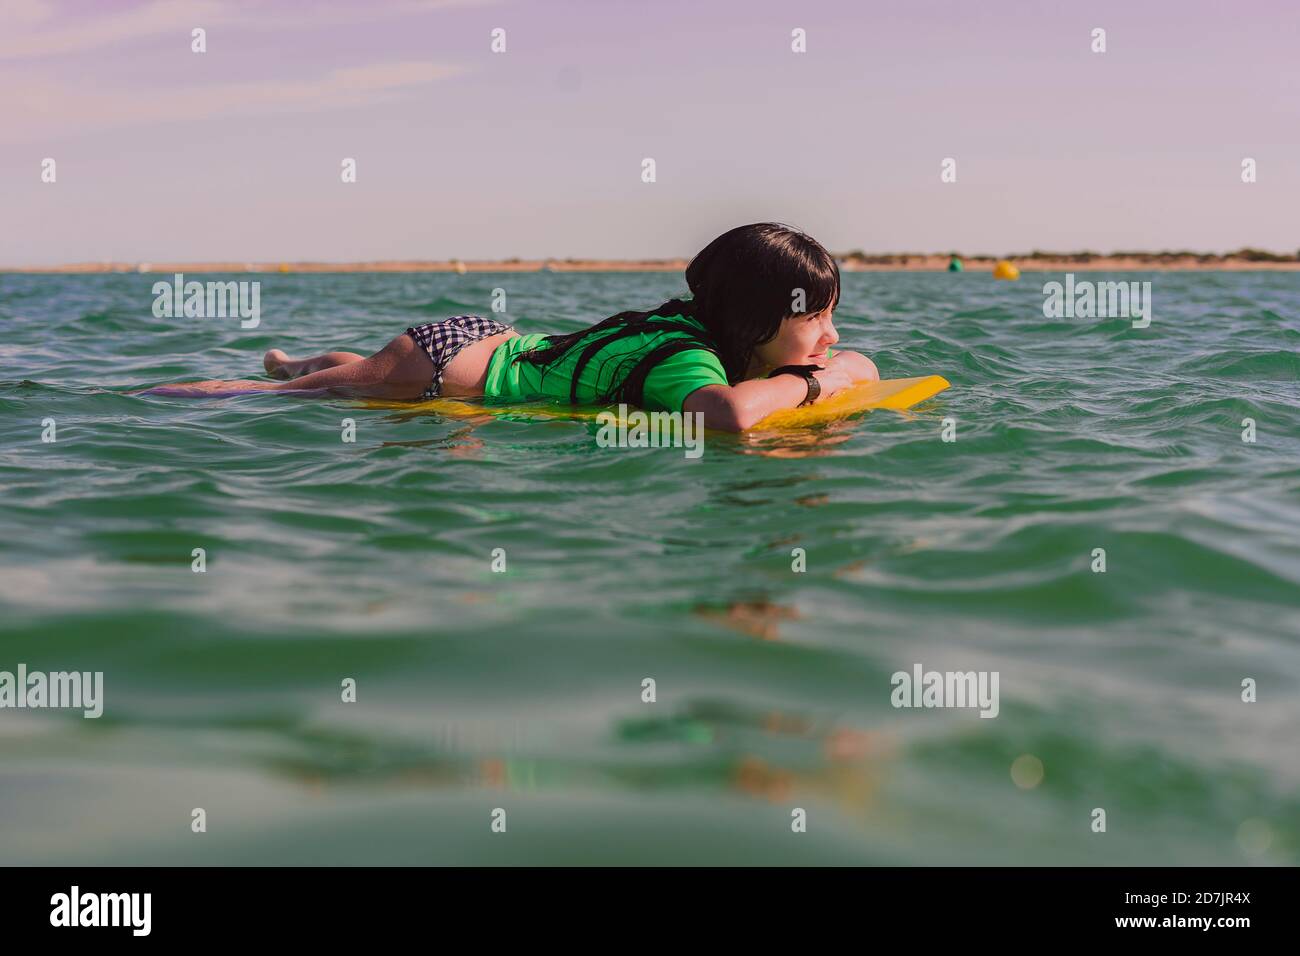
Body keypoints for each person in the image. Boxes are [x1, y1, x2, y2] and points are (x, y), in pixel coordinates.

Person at [143, 223, 879, 432]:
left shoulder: (705, 328)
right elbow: (724, 418)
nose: (830, 337)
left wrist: (828, 368)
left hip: (491, 342)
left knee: (353, 375)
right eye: (816, 319)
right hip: (448, 369)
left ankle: (304, 359)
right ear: (754, 320)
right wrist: (813, 384)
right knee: (265, 403)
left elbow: (858, 368)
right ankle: (148, 395)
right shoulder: (689, 358)